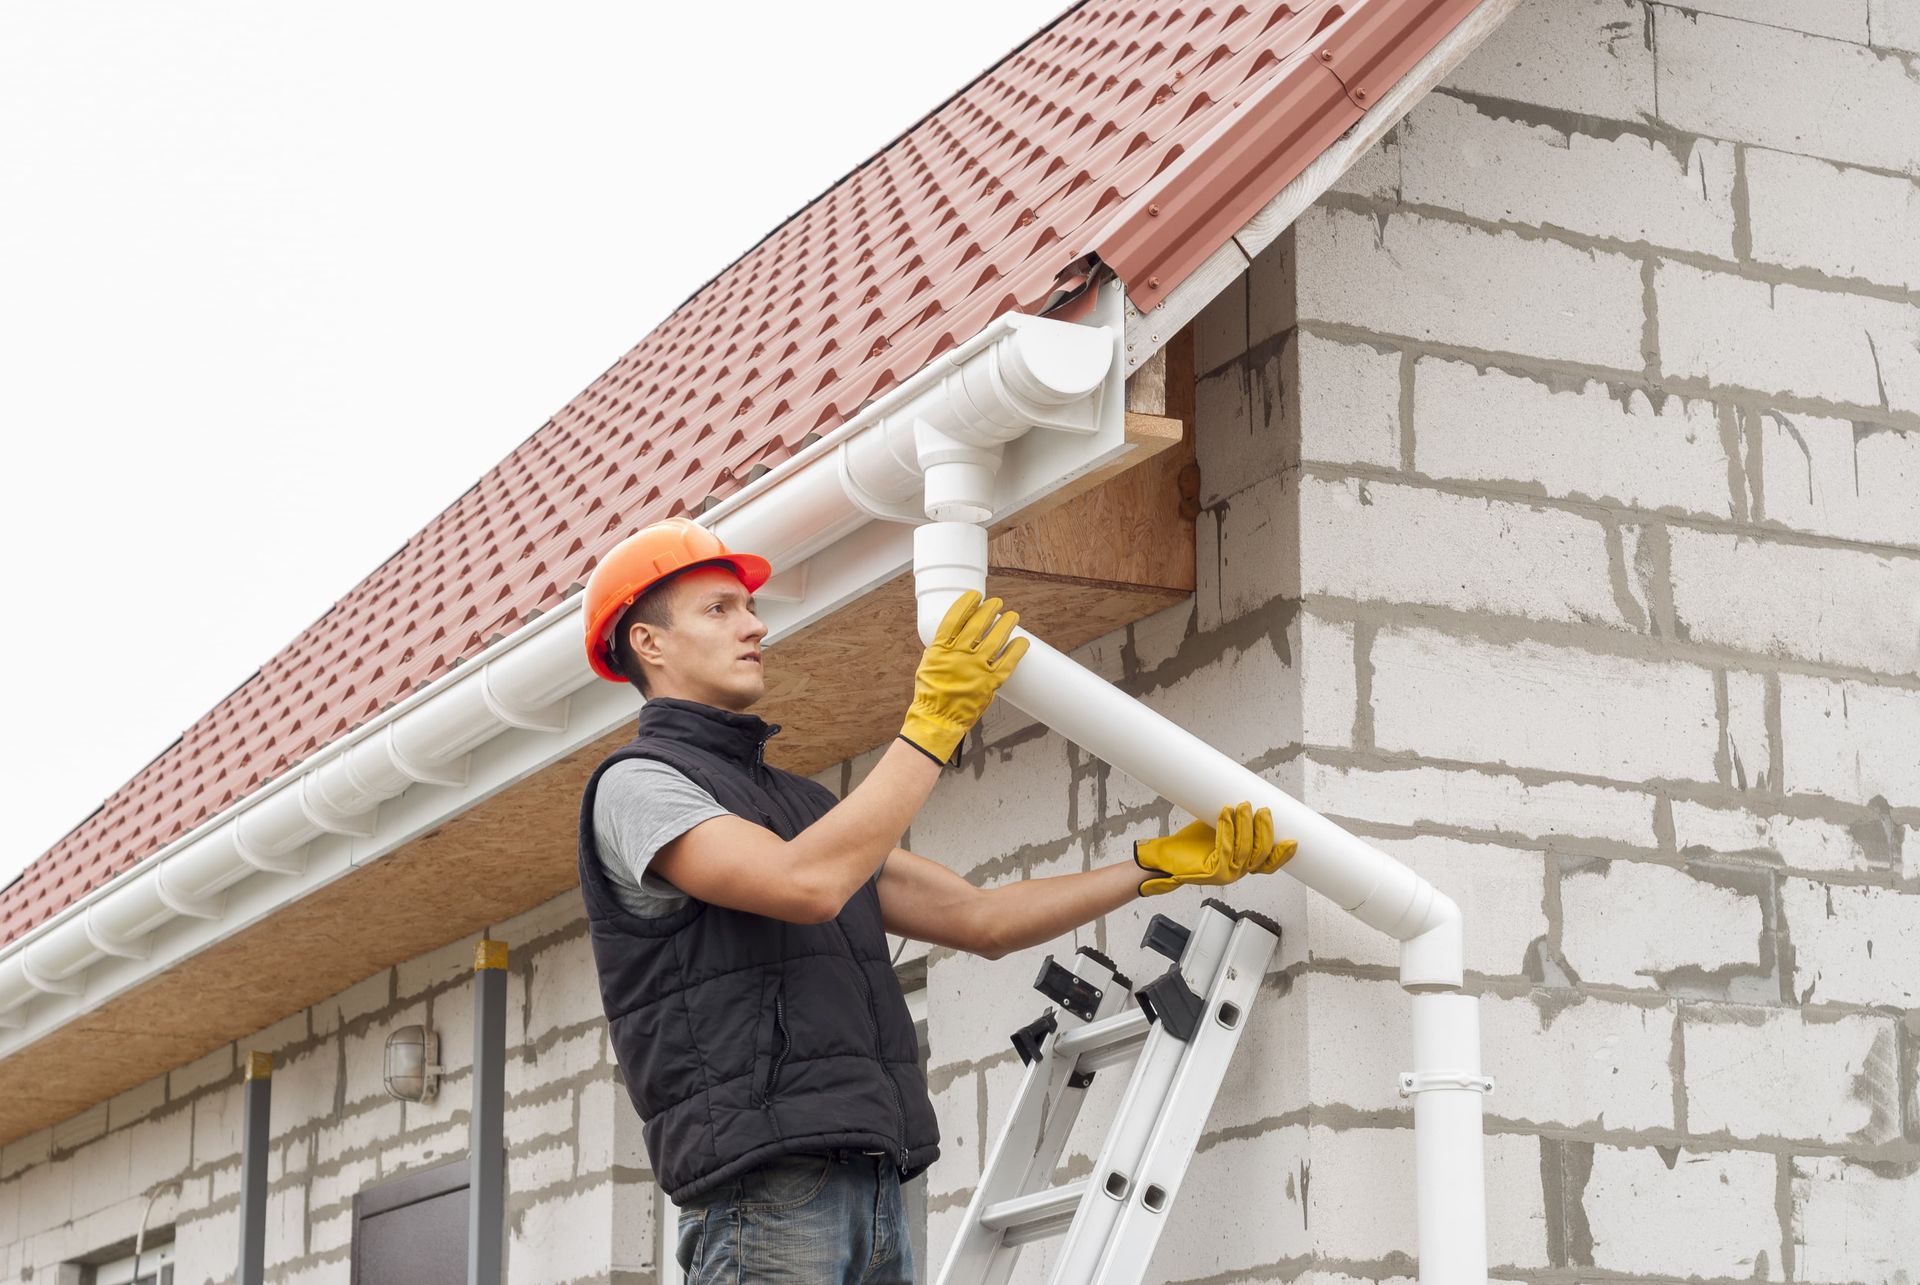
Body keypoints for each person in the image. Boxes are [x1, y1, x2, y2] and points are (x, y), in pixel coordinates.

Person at [574, 517, 1295, 1284]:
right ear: (648, 644)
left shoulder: (805, 807)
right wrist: (932, 726)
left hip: (877, 1189)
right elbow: (803, 886)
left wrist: (1153, 866)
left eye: (749, 607)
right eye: (719, 608)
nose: (754, 624)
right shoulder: (637, 785)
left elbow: (979, 921)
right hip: (766, 1196)